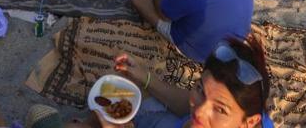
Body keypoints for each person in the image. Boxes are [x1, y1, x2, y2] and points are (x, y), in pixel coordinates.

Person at [112, 38, 273, 128]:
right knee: (121, 86)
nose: (199, 112)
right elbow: (184, 103)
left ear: (250, 122)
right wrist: (145, 77)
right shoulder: (248, 108)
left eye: (220, 109)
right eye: (201, 90)